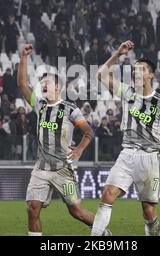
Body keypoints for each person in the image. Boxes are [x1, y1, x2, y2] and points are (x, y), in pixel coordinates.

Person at [91, 41, 160, 236]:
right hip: (127, 153)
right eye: (135, 69)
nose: (136, 72)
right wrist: (118, 54)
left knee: (148, 210)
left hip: (149, 159)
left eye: (141, 69)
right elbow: (100, 75)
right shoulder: (127, 92)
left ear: (151, 75)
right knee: (107, 195)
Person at [17, 44, 111, 236]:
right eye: (42, 82)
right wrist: (24, 58)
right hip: (41, 169)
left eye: (48, 82)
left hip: (63, 169)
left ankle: (104, 233)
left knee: (75, 211)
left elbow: (88, 132)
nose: (44, 85)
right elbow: (22, 84)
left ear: (58, 87)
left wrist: (79, 150)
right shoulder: (39, 105)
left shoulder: (70, 109)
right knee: (32, 208)